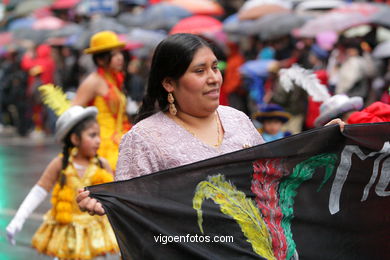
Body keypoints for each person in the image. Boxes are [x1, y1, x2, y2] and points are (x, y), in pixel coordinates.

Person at [77, 33, 345, 216]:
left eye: (215, 67)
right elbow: (134, 211)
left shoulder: (237, 120)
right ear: (169, 83)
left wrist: (320, 143)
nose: (214, 78)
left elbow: (273, 175)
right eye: (199, 71)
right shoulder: (144, 139)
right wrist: (108, 206)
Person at [6, 106, 119, 259]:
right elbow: (39, 191)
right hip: (65, 234)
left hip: (94, 236)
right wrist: (18, 220)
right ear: (75, 139)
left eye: (98, 135)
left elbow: (116, 198)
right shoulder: (61, 164)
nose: (98, 140)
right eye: (92, 135)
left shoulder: (102, 164)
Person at [72, 30, 131, 171]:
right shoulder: (93, 81)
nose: (120, 58)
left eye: (120, 53)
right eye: (114, 54)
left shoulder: (113, 79)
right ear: (100, 59)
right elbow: (72, 111)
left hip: (119, 140)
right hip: (103, 144)